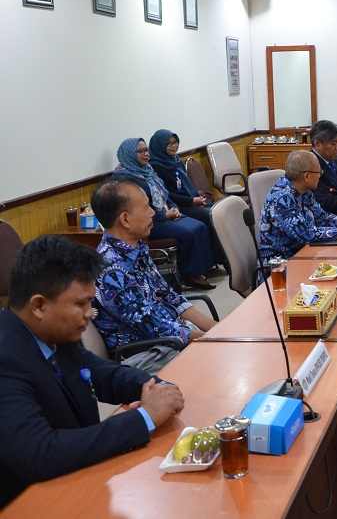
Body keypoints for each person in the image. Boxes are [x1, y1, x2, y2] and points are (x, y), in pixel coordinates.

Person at [0, 235, 185, 508]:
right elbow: (41, 452)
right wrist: (144, 418)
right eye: (80, 304)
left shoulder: (52, 332)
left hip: (79, 480)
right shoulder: (6, 358)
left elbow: (100, 372)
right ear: (39, 305)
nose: (90, 313)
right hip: (31, 502)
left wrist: (155, 385)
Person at [90, 178, 218, 373]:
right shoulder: (111, 269)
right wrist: (212, 339)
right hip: (147, 352)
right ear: (125, 219)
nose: (152, 212)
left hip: (170, 337)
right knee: (218, 362)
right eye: (146, 207)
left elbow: (168, 295)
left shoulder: (136, 247)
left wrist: (214, 327)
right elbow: (153, 326)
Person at [113, 138, 215, 290]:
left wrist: (174, 208)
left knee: (199, 225)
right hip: (150, 222)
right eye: (140, 151)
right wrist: (164, 216)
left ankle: (199, 270)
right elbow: (136, 210)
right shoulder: (124, 178)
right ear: (129, 154)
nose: (146, 154)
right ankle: (191, 275)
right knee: (189, 232)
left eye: (146, 150)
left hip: (165, 214)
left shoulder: (148, 171)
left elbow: (165, 195)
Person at [259, 150, 337, 262]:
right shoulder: (282, 199)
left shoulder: (304, 192)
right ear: (307, 176)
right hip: (281, 266)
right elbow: (307, 235)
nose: (320, 177)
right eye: (319, 173)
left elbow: (322, 217)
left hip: (303, 255)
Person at [147, 129, 225, 265]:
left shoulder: (175, 161)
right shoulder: (156, 166)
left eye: (175, 142)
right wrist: (191, 200)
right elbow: (167, 194)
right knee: (206, 216)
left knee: (218, 211)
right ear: (159, 145)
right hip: (178, 206)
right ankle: (213, 259)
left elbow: (184, 185)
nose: (173, 146)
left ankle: (219, 257)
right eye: (169, 143)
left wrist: (197, 195)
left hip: (188, 201)